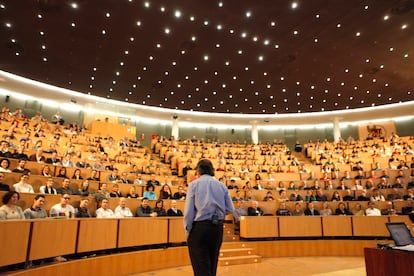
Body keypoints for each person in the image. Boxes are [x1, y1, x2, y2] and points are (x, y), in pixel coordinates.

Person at [184, 159, 234, 276]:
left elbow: (189, 212)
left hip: (199, 229)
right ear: (212, 170)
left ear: (198, 171)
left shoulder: (194, 185)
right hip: (217, 229)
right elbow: (230, 209)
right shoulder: (222, 186)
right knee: (212, 264)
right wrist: (218, 214)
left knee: (200, 267)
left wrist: (188, 231)